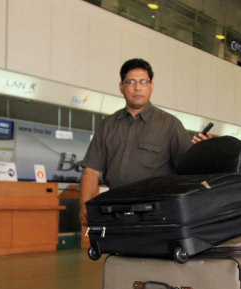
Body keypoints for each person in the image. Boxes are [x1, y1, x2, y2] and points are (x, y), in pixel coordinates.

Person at [79, 58, 194, 226]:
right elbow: (92, 171)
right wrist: (84, 205)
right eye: (131, 82)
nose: (137, 87)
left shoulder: (169, 124)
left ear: (151, 87)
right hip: (116, 212)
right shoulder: (108, 125)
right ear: (121, 87)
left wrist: (201, 152)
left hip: (156, 214)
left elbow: (188, 169)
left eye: (143, 82)